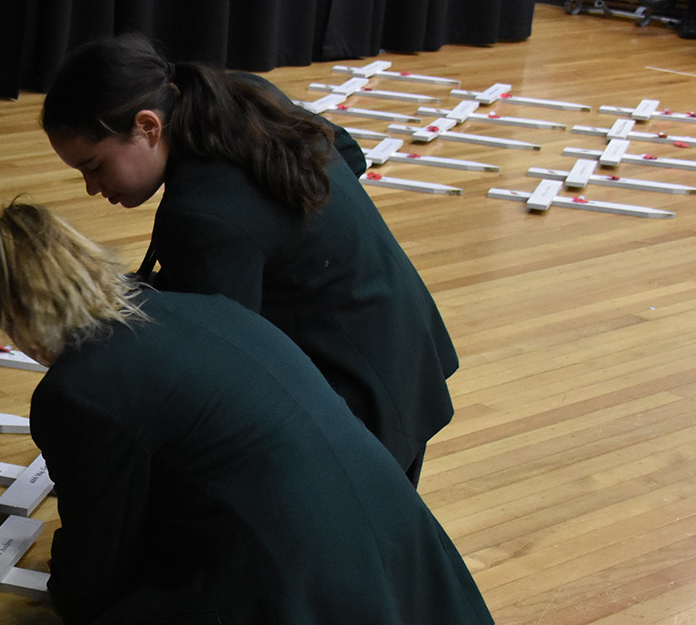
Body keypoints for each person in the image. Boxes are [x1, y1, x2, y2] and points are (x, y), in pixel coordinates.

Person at [0, 202, 493, 625]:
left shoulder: (80, 389)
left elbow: (99, 558)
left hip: (296, 603)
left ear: (18, 315)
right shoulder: (203, 308)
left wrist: (80, 614)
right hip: (385, 576)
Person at [41, 35, 458, 486]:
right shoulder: (237, 94)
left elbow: (218, 373)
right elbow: (347, 152)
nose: (91, 187)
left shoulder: (201, 215)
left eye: (94, 165)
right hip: (405, 349)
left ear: (148, 126)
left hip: (357, 404)